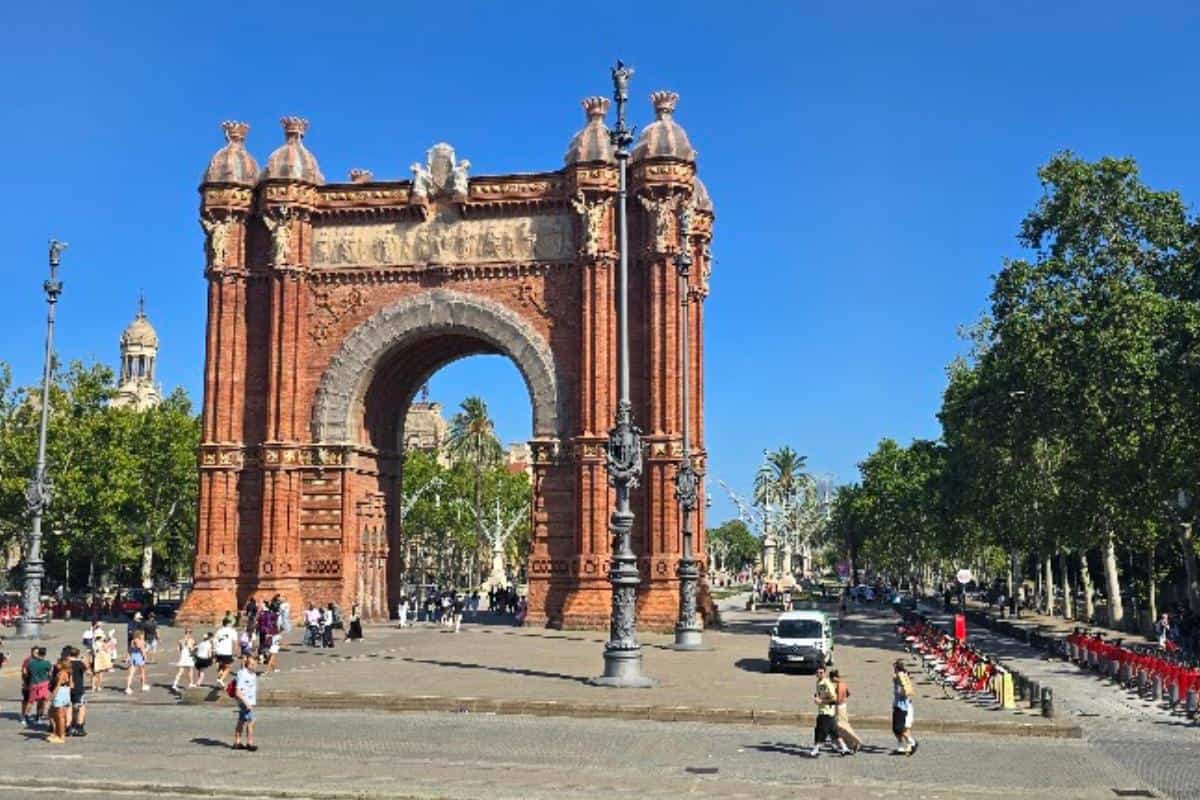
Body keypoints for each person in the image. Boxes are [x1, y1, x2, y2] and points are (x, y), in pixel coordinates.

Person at [809, 666, 851, 757]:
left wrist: (821, 701)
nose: (819, 674)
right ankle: (844, 748)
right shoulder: (818, 682)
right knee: (834, 732)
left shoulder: (827, 683)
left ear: (824, 673)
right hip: (823, 711)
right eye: (818, 672)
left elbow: (834, 698)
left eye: (821, 672)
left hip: (826, 712)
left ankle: (816, 749)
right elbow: (821, 694)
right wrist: (817, 697)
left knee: (820, 731)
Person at [830, 669, 862, 753]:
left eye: (831, 679)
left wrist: (830, 701)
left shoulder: (840, 685)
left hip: (840, 707)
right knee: (842, 725)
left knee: (842, 726)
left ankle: (856, 741)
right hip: (843, 706)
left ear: (834, 677)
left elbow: (839, 699)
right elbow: (848, 694)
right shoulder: (843, 684)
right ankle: (849, 744)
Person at [232, 652, 258, 751]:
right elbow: (238, 692)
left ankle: (237, 742)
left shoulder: (253, 674)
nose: (254, 666)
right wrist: (247, 703)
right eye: (252, 664)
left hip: (248, 701)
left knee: (241, 721)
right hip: (244, 702)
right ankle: (250, 743)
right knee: (252, 721)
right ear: (247, 664)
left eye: (255, 664)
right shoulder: (242, 674)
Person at [891, 660, 918, 756]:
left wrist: (901, 677)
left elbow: (907, 691)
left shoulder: (902, 677)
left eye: (894, 668)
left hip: (902, 707)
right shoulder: (898, 678)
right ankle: (900, 746)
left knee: (899, 728)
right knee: (895, 729)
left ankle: (912, 742)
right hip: (897, 705)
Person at [22, 646, 52, 728]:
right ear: (45, 654)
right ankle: (38, 717)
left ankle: (26, 716)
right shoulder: (47, 663)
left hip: (33, 684)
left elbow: (25, 673)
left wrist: (26, 682)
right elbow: (50, 674)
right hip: (44, 684)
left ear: (38, 653)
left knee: (30, 701)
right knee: (42, 701)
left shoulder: (30, 663)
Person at [47, 653, 73, 744]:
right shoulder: (68, 672)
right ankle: (58, 734)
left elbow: (57, 686)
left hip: (60, 693)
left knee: (60, 717)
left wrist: (52, 696)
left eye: (58, 663)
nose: (56, 664)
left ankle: (61, 736)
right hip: (66, 692)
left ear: (62, 664)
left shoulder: (61, 673)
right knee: (58, 715)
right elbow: (71, 685)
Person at [67, 646, 90, 737]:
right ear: (78, 654)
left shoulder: (66, 663)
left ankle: (68, 728)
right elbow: (88, 673)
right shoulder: (80, 664)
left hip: (67, 689)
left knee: (69, 707)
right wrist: (85, 661)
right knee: (81, 707)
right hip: (78, 688)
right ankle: (79, 727)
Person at [214, 617, 238, 686]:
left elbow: (214, 641)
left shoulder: (219, 631)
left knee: (221, 666)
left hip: (218, 651)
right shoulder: (232, 631)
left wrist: (214, 650)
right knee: (228, 667)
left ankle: (220, 674)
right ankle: (221, 679)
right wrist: (235, 652)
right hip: (226, 651)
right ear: (228, 624)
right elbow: (235, 642)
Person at [125, 628, 149, 694]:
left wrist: (128, 657)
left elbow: (129, 650)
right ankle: (143, 685)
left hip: (133, 656)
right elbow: (142, 649)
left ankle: (128, 688)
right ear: (140, 635)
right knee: (142, 672)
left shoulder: (132, 641)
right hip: (139, 656)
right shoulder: (141, 641)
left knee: (131, 673)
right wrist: (145, 656)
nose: (143, 636)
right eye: (142, 634)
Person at [172, 627, 197, 692]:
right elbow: (194, 649)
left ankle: (175, 684)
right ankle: (191, 683)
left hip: (183, 656)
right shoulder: (192, 640)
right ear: (190, 633)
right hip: (189, 656)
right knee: (190, 670)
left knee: (180, 671)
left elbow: (178, 649)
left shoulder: (180, 640)